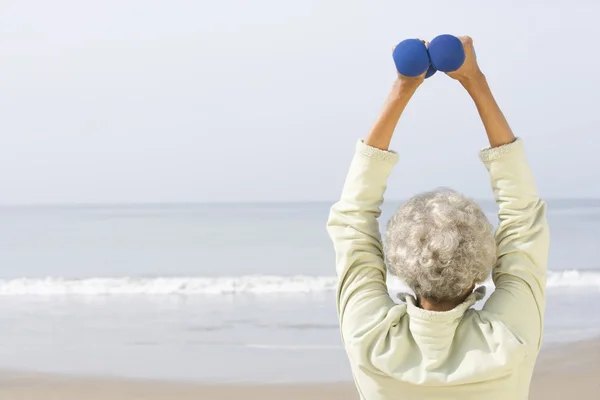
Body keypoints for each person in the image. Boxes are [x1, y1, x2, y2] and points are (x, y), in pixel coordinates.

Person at [326, 36, 549, 399]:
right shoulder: (510, 339)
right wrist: (473, 80)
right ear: (481, 268)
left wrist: (403, 87)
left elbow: (352, 219)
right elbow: (522, 218)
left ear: (400, 266)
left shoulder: (369, 339)